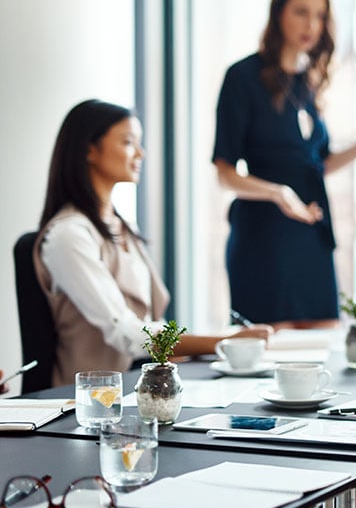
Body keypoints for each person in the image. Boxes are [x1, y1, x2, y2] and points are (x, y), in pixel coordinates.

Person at [212, 0, 356, 328]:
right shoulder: (243, 77)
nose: (312, 24)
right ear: (278, 13)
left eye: (320, 15)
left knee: (326, 344)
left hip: (310, 232)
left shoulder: (306, 85)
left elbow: (319, 164)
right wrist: (279, 193)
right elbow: (225, 174)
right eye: (301, 12)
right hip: (264, 238)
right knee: (270, 350)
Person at [34, 99, 272, 387]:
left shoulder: (122, 227)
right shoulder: (68, 236)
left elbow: (147, 323)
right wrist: (226, 341)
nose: (141, 153)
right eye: (128, 142)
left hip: (141, 387)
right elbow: (123, 331)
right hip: (92, 402)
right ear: (89, 150)